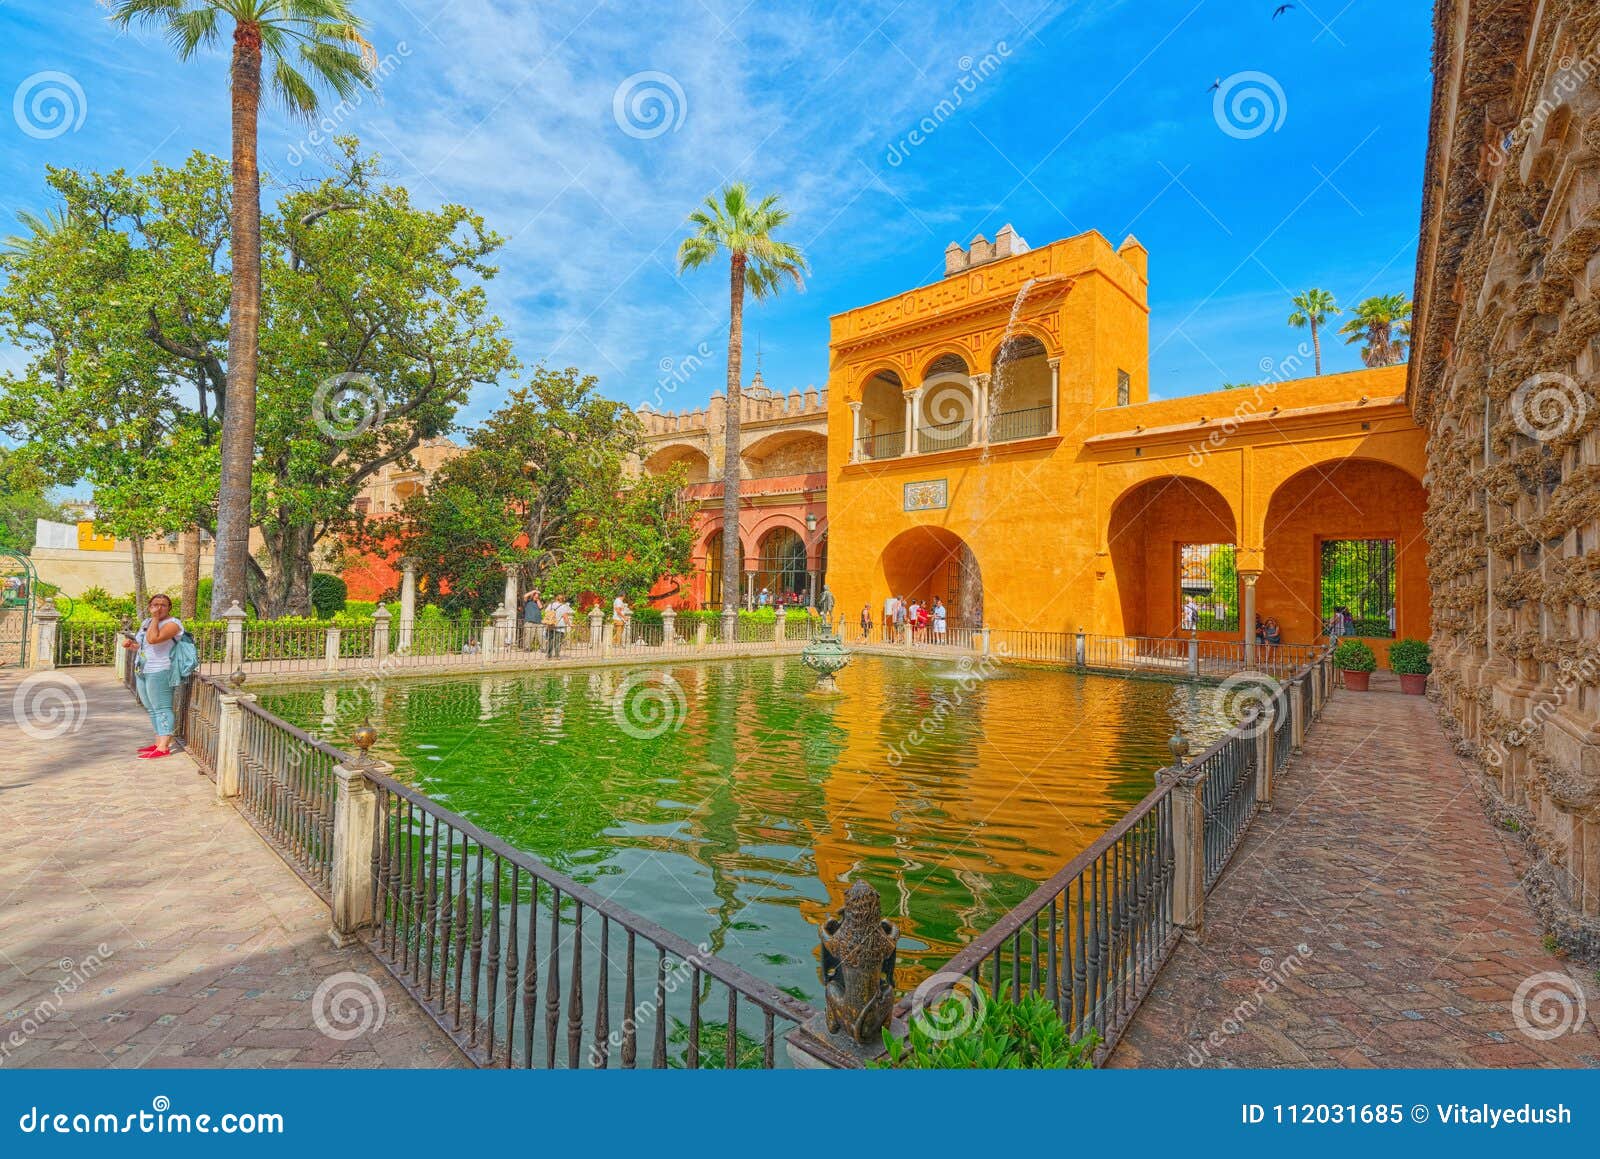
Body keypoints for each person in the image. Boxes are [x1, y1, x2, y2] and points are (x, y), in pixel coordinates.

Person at [123, 593, 184, 759]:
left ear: (169, 608)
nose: (159, 608)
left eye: (163, 605)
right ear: (149, 606)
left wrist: (155, 619)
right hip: (143, 668)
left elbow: (153, 639)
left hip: (161, 670)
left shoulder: (173, 624)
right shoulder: (146, 622)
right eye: (155, 604)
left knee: (162, 708)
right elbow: (143, 645)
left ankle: (164, 746)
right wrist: (132, 645)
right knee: (151, 708)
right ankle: (158, 742)